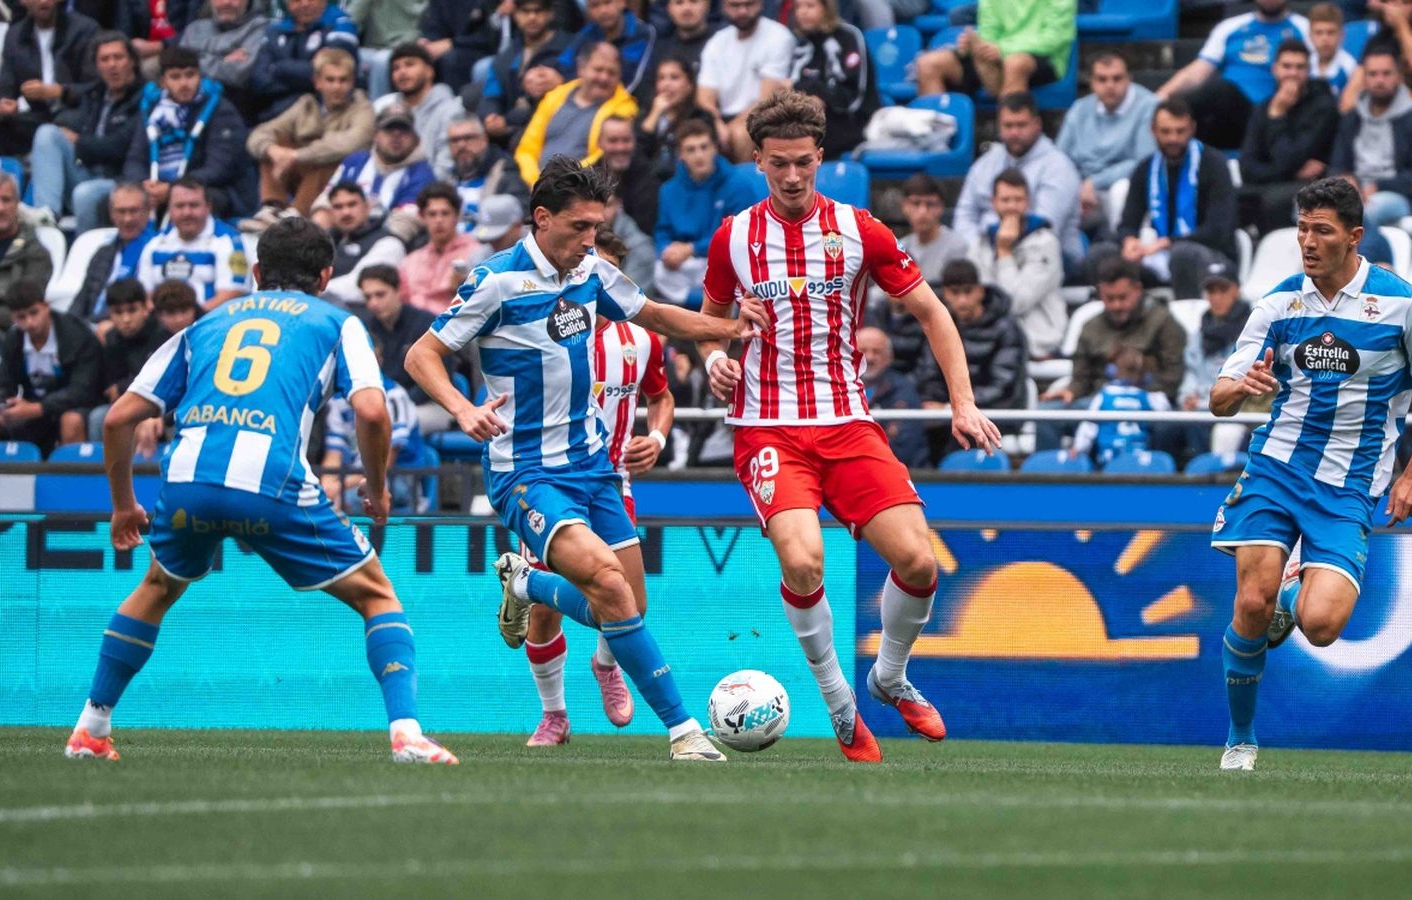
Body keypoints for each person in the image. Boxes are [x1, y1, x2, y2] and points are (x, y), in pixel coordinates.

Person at [403, 155, 771, 761]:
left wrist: (726, 330)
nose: (589, 240)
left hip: (595, 466)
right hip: (526, 472)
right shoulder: (496, 281)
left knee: (627, 603)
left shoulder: (591, 270)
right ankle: (684, 732)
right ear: (541, 220)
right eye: (578, 228)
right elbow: (422, 355)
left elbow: (651, 314)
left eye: (596, 228)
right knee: (604, 584)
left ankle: (526, 583)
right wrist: (462, 410)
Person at [62, 217, 458, 765]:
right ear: (325, 276)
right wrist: (377, 486)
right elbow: (371, 410)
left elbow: (116, 420)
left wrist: (123, 503)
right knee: (376, 595)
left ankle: (90, 728)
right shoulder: (339, 322)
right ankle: (407, 735)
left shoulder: (205, 323)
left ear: (254, 273)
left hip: (188, 481)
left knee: (156, 587)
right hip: (270, 482)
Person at [694, 91, 1003, 762]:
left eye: (804, 163)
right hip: (768, 427)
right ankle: (840, 706)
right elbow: (708, 322)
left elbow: (932, 312)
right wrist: (715, 357)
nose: (794, 176)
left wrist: (962, 402)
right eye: (779, 164)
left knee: (919, 560)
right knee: (804, 561)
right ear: (758, 163)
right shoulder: (734, 237)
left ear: (822, 159)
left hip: (847, 423)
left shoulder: (860, 230)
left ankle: (888, 678)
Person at [1208, 177, 1412, 772]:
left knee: (1320, 626)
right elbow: (1217, 398)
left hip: (1351, 483)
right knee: (1250, 603)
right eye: (1302, 229)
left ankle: (1297, 590)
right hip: (1276, 468)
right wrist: (1240, 388)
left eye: (1321, 230)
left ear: (1354, 236)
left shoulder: (1406, 304)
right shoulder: (1277, 303)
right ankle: (1241, 741)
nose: (1308, 242)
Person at [519, 294, 676, 746]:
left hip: (612, 484)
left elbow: (660, 396)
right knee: (546, 611)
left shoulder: (641, 340)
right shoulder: (545, 333)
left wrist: (659, 436)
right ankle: (554, 715)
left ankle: (606, 662)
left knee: (632, 602)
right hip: (551, 482)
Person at [1091, 99, 1238, 300]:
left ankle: (1189, 321)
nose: (1173, 139)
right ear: (1153, 130)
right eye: (1166, 131)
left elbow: (1218, 230)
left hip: (1209, 255)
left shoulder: (1214, 165)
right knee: (1104, 255)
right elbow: (1128, 224)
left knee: (1182, 254)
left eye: (1180, 131)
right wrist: (1129, 242)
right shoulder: (1145, 169)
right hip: (1157, 256)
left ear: (1192, 129)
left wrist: (1167, 243)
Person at [953, 91, 1083, 273]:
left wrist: (993, 240)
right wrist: (978, 247)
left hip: (1048, 256)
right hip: (989, 252)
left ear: (1037, 124)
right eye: (1008, 125)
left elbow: (1044, 224)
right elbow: (965, 214)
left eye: (1021, 125)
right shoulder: (985, 163)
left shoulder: (1059, 166)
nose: (1014, 132)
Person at [1156, 0, 1309, 150]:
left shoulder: (1303, 28)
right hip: (1228, 114)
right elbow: (1199, 70)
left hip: (1272, 110)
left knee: (1221, 90)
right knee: (1173, 112)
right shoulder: (1230, 27)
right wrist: (1162, 95)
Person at [245, 47, 374, 222]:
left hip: (338, 184)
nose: (337, 86)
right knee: (275, 144)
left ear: (352, 82)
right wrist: (273, 150)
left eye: (343, 80)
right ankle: (272, 208)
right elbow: (259, 134)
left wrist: (297, 155)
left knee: (326, 156)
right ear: (317, 82)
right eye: (330, 80)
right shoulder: (306, 104)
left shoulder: (363, 108)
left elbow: (352, 143)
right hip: (297, 177)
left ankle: (296, 214)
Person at [31, 31, 143, 232]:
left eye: (118, 57)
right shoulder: (95, 93)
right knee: (47, 133)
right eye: (104, 59)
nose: (112, 65)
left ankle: (85, 258)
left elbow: (119, 146)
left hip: (121, 182)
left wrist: (78, 141)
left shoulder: (146, 96)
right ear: (97, 66)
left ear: (132, 61)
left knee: (84, 193)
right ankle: (46, 216)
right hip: (88, 171)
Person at [122, 45, 251, 218]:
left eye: (190, 75)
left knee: (200, 201)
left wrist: (173, 188)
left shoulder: (221, 110)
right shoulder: (151, 110)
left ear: (199, 76)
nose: (184, 83)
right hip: (155, 188)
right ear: (163, 82)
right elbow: (135, 158)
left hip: (206, 188)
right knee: (116, 201)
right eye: (175, 77)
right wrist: (144, 186)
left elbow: (219, 168)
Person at [1043, 256, 1186, 407]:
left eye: (1122, 297)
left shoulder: (1163, 321)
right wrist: (1071, 391)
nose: (1116, 305)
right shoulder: (1090, 327)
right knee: (1045, 413)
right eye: (1110, 298)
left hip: (1149, 403)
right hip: (1098, 402)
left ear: (1137, 289)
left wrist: (1132, 396)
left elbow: (1173, 375)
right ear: (1100, 293)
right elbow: (1081, 378)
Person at [652, 118, 757, 307]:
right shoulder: (668, 190)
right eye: (691, 150)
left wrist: (692, 248)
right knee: (660, 269)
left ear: (715, 148)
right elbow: (662, 230)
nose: (699, 155)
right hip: (685, 264)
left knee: (736, 266)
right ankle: (702, 307)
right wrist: (666, 250)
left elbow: (740, 236)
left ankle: (705, 308)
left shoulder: (738, 184)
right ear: (680, 155)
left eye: (704, 147)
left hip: (719, 259)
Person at [1327, 47, 1412, 230]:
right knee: (1306, 210)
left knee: (1362, 212)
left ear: (1399, 76)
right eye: (1373, 74)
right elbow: (1337, 165)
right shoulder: (1352, 117)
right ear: (1364, 79)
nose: (1380, 80)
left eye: (1386, 74)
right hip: (1355, 193)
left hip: (1400, 196)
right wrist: (1347, 181)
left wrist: (1377, 186)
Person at [963, 168, 1067, 359]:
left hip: (1038, 342)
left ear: (1027, 202)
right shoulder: (981, 243)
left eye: (1018, 200)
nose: (1012, 206)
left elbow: (1016, 302)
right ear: (994, 203)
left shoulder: (1046, 242)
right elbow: (980, 297)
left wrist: (1004, 252)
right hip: (991, 340)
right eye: (1005, 200)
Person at [1237, 39, 1339, 232]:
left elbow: (1289, 157)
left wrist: (1278, 116)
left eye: (1299, 67)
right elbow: (1247, 168)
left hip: (1312, 186)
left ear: (1308, 71)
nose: (1292, 73)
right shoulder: (1263, 108)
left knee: (1274, 201)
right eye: (1287, 66)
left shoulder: (1323, 107)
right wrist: (1291, 171)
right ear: (1275, 69)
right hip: (1278, 182)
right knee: (1234, 199)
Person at [0, 281, 102, 452]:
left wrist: (37, 409)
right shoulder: (14, 339)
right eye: (21, 317)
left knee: (71, 421)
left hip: (79, 405)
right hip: (34, 406)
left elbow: (83, 390)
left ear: (46, 307)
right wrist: (4, 406)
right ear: (13, 318)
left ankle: (74, 476)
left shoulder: (78, 335)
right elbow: (2, 381)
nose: (30, 323)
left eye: (34, 313)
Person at [1057, 51, 1158, 231]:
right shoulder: (1079, 109)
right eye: (1102, 79)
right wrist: (1077, 188)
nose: (1110, 85)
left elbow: (1144, 161)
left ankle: (1122, 246)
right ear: (1092, 83)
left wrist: (1094, 182)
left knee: (1122, 190)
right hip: (1081, 190)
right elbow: (1060, 160)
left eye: (1117, 78)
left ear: (1129, 79)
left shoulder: (1149, 106)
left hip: (1123, 188)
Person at [514, 42, 638, 185]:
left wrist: (558, 182)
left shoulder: (625, 110)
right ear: (581, 68)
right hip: (531, 183)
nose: (604, 78)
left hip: (579, 186)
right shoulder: (555, 96)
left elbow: (600, 157)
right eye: (598, 70)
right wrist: (535, 181)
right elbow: (527, 148)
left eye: (611, 73)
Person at [915, 258, 1028, 414]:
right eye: (955, 292)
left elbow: (1003, 385)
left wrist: (953, 407)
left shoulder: (1006, 328)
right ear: (945, 293)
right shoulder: (938, 325)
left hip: (997, 412)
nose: (962, 300)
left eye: (968, 291)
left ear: (980, 291)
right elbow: (930, 374)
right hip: (950, 411)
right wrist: (935, 403)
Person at [314, 103, 438, 244]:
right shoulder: (355, 161)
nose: (396, 136)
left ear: (414, 137)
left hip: (385, 246)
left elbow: (402, 225)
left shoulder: (422, 174)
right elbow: (325, 203)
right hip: (340, 238)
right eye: (389, 130)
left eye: (403, 131)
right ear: (376, 135)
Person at [358, 263, 455, 434]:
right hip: (385, 404)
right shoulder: (365, 327)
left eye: (380, 295)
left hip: (433, 404)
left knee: (393, 424)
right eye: (368, 297)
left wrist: (398, 403)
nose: (373, 303)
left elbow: (439, 378)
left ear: (398, 291)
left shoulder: (427, 323)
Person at [0, 0, 100, 156]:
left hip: (78, 112)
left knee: (57, 127)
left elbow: (96, 87)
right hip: (39, 115)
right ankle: (7, 176)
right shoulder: (15, 35)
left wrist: (59, 92)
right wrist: (3, 105)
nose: (43, 1)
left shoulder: (84, 29)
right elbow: (6, 86)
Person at [912, 0, 1075, 100]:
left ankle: (1009, 144)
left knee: (1014, 63)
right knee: (928, 64)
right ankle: (933, 139)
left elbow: (1055, 39)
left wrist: (1004, 49)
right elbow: (989, 30)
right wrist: (975, 46)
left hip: (1046, 57)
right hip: (997, 53)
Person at [696, 0, 795, 162]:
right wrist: (716, 124)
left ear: (761, 4)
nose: (742, 11)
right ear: (724, 6)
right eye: (735, 6)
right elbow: (704, 97)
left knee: (741, 134)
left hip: (765, 115)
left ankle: (744, 186)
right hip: (722, 117)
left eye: (749, 4)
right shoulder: (717, 42)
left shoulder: (779, 36)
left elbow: (767, 99)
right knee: (693, 135)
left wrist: (729, 129)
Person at [1343, 0, 1412, 140]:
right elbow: (1350, 95)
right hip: (1379, 122)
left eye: (1403, 3)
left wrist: (1401, 25)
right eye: (1390, 3)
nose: (1394, 9)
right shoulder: (1379, 40)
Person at [136, 178, 250, 311]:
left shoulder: (230, 242)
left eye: (194, 205)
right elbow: (144, 296)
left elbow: (233, 295)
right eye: (180, 206)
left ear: (208, 207)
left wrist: (190, 322)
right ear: (169, 209)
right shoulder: (155, 244)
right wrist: (167, 322)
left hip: (210, 326)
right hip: (162, 327)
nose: (187, 213)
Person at [320, 366, 423, 512]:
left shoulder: (394, 394)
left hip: (397, 477)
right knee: (317, 501)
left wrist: (339, 486)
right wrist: (326, 485)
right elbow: (333, 454)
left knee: (343, 502)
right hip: (351, 477)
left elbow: (385, 463)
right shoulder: (337, 399)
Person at [1179, 260, 1255, 454]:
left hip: (1236, 409)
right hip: (1200, 408)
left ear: (1236, 290)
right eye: (1212, 291)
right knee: (1167, 428)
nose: (1217, 297)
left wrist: (1205, 402)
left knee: (1215, 429)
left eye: (1223, 290)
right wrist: (1187, 396)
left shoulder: (1252, 330)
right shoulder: (1199, 334)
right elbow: (1191, 371)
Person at [787, 0, 878, 157]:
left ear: (826, 9)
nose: (802, 12)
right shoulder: (801, 45)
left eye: (810, 6)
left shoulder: (849, 36)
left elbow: (854, 97)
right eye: (797, 7)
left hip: (853, 122)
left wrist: (816, 95)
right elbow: (792, 87)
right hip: (811, 121)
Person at [87, 278, 170, 441]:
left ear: (146, 309)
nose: (126, 319)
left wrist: (124, 387)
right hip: (126, 404)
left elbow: (164, 382)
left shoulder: (163, 335)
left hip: (162, 406)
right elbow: (110, 389)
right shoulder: (110, 339)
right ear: (110, 314)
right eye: (118, 312)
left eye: (132, 310)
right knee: (98, 417)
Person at [249, 0, 360, 121]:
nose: (305, 4)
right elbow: (259, 80)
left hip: (325, 115)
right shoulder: (275, 29)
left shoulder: (341, 24)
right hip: (274, 114)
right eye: (297, 0)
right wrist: (304, 78)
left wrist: (279, 69)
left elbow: (330, 75)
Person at [479, 0, 571, 145]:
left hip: (555, 129)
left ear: (550, 14)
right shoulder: (506, 57)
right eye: (525, 11)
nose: (532, 17)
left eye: (538, 11)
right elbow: (491, 95)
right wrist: (491, 116)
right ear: (515, 14)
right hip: (510, 133)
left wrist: (562, 82)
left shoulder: (569, 47)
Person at [68, 183, 156, 324]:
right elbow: (82, 298)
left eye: (133, 211)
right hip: (89, 328)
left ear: (147, 212)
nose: (127, 219)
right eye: (121, 212)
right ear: (111, 213)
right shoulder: (104, 252)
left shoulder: (155, 251)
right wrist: (69, 326)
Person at [1072, 346, 1173, 467]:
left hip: (1108, 459)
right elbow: (1166, 408)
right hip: (1139, 461)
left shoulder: (1104, 397)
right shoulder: (1150, 398)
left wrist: (1078, 448)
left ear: (1112, 371)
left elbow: (1088, 428)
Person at [398, 181, 485, 316]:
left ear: (456, 216)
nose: (439, 220)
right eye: (432, 214)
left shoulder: (475, 253)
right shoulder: (410, 261)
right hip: (413, 330)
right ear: (422, 217)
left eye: (445, 213)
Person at [379, 43, 464, 168]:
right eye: (396, 68)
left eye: (410, 64)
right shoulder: (388, 109)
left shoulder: (451, 110)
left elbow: (446, 167)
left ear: (430, 71)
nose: (402, 72)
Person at [439, 114, 532, 228]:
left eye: (468, 138)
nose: (461, 145)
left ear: (484, 139)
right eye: (455, 140)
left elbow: (520, 210)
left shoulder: (506, 170)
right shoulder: (447, 178)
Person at [323, 181, 406, 307]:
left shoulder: (389, 243)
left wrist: (313, 289)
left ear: (367, 207)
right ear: (330, 213)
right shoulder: (325, 241)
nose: (345, 212)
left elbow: (358, 288)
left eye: (352, 204)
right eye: (338, 207)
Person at [856, 325, 928, 468]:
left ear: (889, 357)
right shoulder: (839, 388)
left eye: (876, 352)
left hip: (900, 471)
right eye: (863, 351)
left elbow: (905, 445)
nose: (869, 358)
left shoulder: (904, 390)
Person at [0, 172, 56, 332]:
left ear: (17, 203)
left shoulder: (36, 253)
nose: (0, 208)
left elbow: (26, 307)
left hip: (9, 331)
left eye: (6, 200)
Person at [175, 0, 269, 103]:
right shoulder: (194, 29)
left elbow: (238, 74)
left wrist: (195, 61)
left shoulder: (262, 28)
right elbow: (178, 67)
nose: (226, 2)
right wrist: (222, 60)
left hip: (233, 106)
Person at [556, 0, 657, 97]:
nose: (603, 11)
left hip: (625, 104)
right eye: (595, 6)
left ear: (621, 2)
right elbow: (564, 65)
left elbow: (632, 82)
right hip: (585, 99)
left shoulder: (643, 33)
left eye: (608, 2)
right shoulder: (588, 32)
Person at [638, 56, 715, 181]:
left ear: (689, 85)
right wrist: (654, 115)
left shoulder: (701, 117)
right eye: (661, 78)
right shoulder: (647, 115)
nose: (666, 84)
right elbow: (636, 154)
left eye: (674, 77)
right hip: (648, 183)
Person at [596, 116, 659, 236]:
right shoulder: (588, 178)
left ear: (634, 141)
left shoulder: (648, 177)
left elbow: (646, 231)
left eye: (626, 140)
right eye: (613, 141)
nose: (620, 147)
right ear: (599, 142)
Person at [416, 0, 497, 91]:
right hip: (447, 49)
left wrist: (452, 43)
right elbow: (432, 25)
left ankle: (457, 103)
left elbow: (490, 36)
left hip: (481, 49)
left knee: (452, 60)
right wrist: (427, 42)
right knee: (410, 60)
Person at [1307, 2, 1357, 94]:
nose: (1325, 39)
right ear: (1310, 36)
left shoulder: (1349, 67)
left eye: (1331, 32)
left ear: (1342, 35)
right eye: (1319, 33)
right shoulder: (1305, 64)